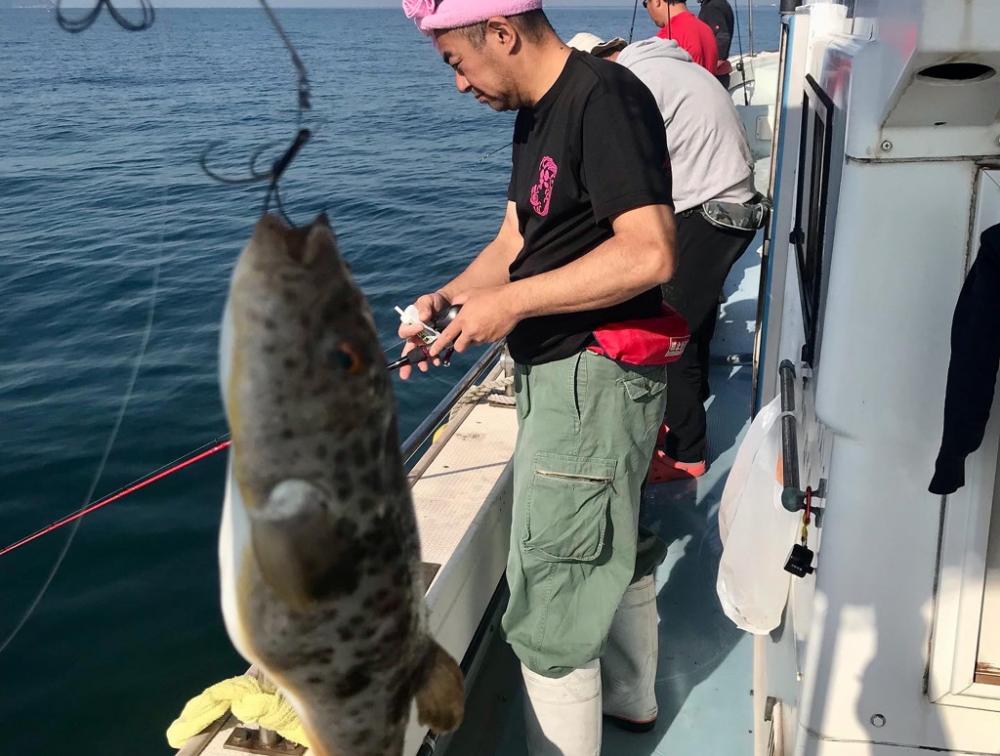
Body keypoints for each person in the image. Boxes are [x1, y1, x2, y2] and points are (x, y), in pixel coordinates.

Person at [398, 0, 678, 752]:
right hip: (582, 378)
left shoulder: (605, 99)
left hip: (591, 378)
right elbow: (517, 238)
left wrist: (511, 305)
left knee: (550, 601)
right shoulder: (537, 112)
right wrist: (452, 300)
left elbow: (650, 252)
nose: (459, 85)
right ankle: (631, 699)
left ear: (501, 32)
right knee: (609, 545)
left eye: (456, 62)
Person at [567, 32, 764, 482]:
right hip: (736, 207)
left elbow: (615, 169)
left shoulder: (627, 81)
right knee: (698, 315)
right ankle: (691, 413)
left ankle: (686, 453)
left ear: (598, 61)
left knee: (668, 335)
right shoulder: (666, 64)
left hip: (712, 210)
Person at [645, 0, 719, 75]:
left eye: (645, 3)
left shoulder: (665, 39)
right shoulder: (707, 30)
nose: (647, 9)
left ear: (657, 1)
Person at [698, 0, 736, 87]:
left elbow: (722, 37)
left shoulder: (713, 6)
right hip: (717, 74)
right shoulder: (718, 4)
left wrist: (712, 66)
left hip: (715, 75)